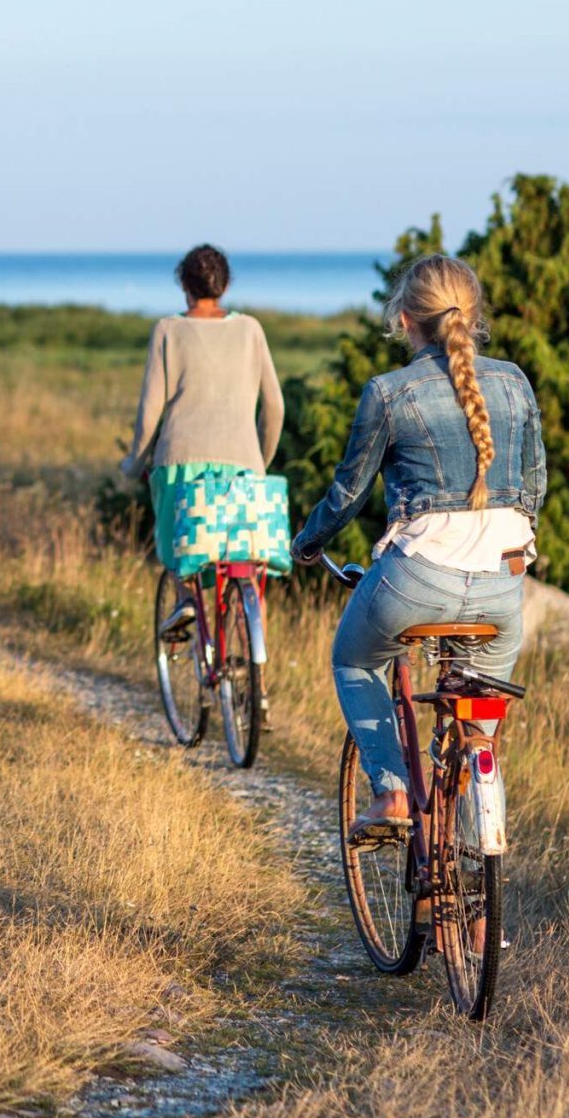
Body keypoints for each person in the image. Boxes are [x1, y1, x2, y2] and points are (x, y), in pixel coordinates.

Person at [289, 254, 545, 841]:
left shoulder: (388, 391)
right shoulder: (515, 381)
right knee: (478, 736)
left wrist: (309, 544)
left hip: (415, 582)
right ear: (475, 316)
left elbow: (347, 494)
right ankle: (479, 902)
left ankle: (394, 791)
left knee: (353, 660)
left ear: (405, 320)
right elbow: (534, 490)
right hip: (502, 591)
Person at [122, 246, 285, 583]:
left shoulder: (167, 329)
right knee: (250, 568)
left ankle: (185, 602)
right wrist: (259, 461)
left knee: (182, 561)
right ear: (224, 286)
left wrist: (134, 463)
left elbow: (150, 412)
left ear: (185, 285)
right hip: (243, 466)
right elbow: (274, 407)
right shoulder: (251, 328)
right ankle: (255, 632)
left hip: (180, 465)